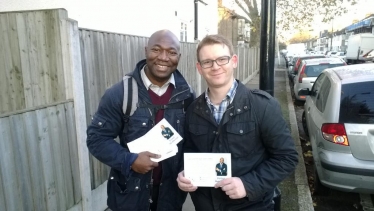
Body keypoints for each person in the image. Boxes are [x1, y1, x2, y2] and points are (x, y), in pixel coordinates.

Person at [176, 34, 298, 211]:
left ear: (234, 61)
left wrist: (248, 184)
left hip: (252, 206)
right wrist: (184, 174)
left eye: (222, 59)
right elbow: (188, 150)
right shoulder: (193, 110)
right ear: (199, 68)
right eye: (207, 62)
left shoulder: (262, 106)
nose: (215, 66)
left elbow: (287, 157)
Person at [87, 29, 194, 211]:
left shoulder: (187, 96)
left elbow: (193, 143)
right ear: (146, 51)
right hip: (129, 196)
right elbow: (96, 139)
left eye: (171, 52)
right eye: (156, 49)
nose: (163, 57)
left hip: (170, 198)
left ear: (179, 56)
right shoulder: (121, 94)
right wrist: (130, 160)